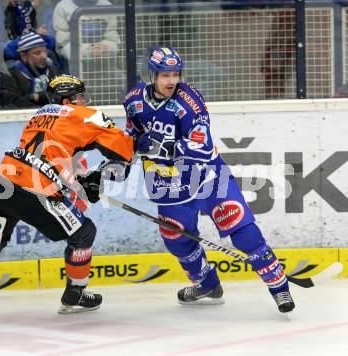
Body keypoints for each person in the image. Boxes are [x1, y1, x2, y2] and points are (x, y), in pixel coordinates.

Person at [0, 74, 134, 314]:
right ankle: (75, 293)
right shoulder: (84, 115)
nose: (83, 99)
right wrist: (102, 174)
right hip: (36, 190)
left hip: (3, 182)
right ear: (69, 99)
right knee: (84, 232)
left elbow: (51, 157)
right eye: (80, 95)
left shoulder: (39, 115)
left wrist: (83, 181)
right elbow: (124, 149)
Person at [122, 47, 295, 313]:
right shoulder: (134, 100)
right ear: (152, 75)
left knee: (244, 232)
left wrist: (159, 147)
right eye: (165, 75)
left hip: (207, 178)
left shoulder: (189, 99)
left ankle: (279, 288)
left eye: (176, 74)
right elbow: (130, 138)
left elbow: (202, 147)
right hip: (167, 184)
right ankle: (207, 284)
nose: (171, 81)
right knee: (176, 238)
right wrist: (122, 158)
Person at [0, 31, 66, 108]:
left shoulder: (53, 70)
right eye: (37, 53)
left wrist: (37, 96)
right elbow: (14, 104)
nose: (44, 56)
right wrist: (40, 97)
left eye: (45, 52)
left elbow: (64, 96)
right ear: (23, 56)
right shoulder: (9, 77)